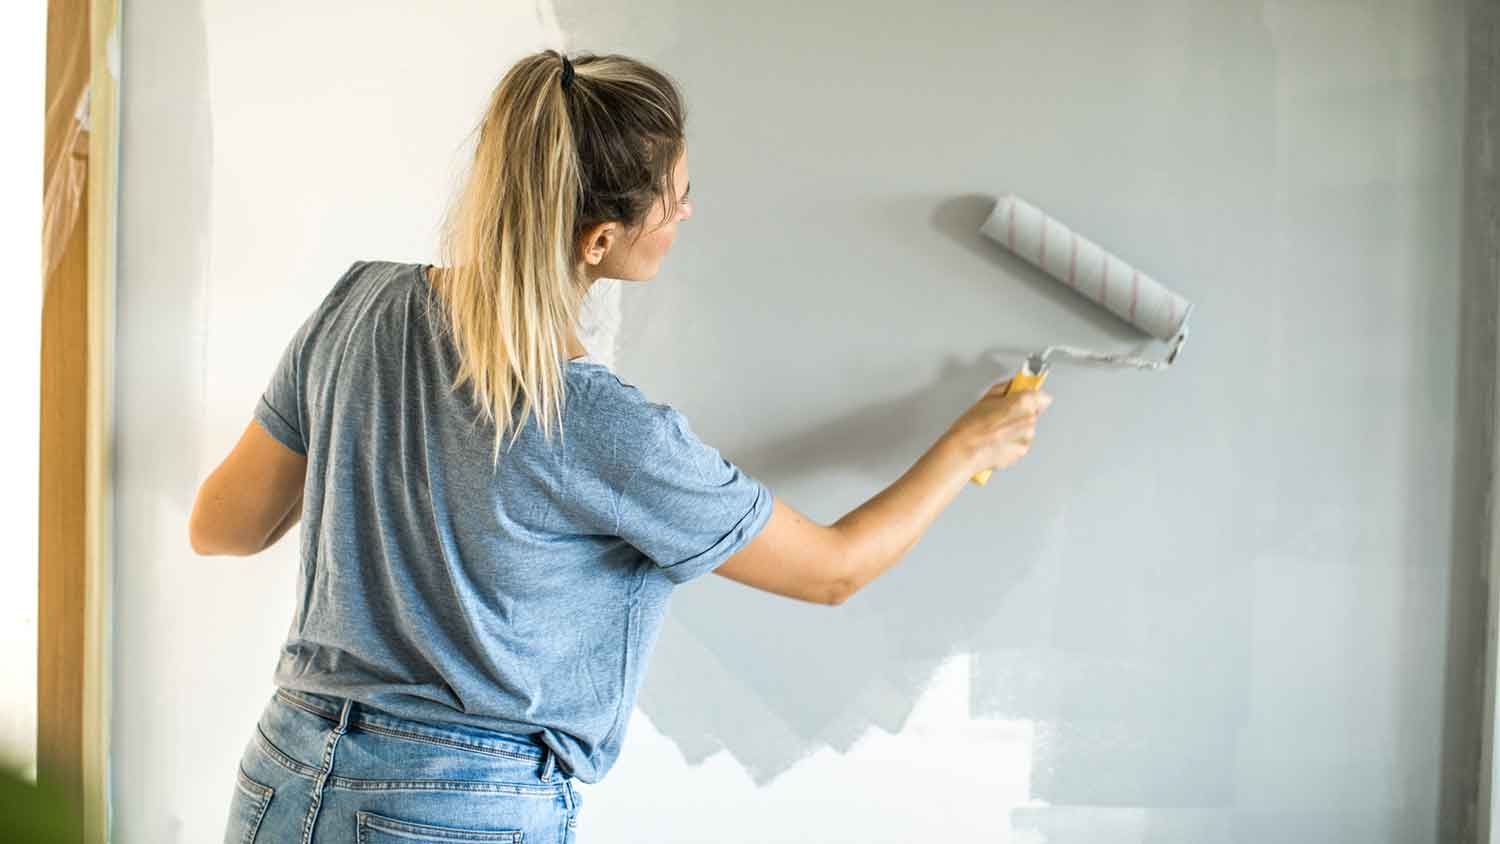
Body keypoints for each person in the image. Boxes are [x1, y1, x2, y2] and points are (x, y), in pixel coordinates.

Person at [201, 49, 1051, 844]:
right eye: (674, 196)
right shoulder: (608, 427)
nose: (686, 210)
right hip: (459, 805)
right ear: (598, 240)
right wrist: (966, 445)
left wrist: (388, 469)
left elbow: (224, 528)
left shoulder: (361, 305)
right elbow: (832, 571)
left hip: (284, 772)